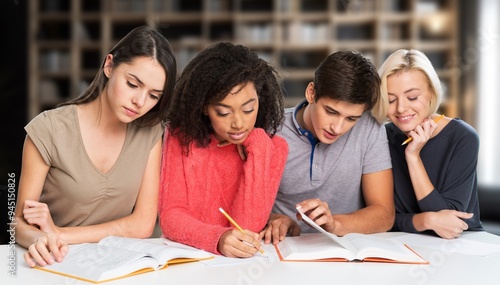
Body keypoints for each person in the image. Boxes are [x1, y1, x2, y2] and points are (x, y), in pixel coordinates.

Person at [15, 25, 177, 267]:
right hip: (59, 262)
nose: (140, 102)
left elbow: (142, 224)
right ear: (109, 65)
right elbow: (18, 223)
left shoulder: (150, 132)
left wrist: (59, 233)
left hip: (124, 264)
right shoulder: (49, 129)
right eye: (133, 84)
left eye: (154, 95)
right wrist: (41, 238)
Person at [158, 42, 288, 258]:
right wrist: (217, 238)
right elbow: (171, 216)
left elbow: (248, 227)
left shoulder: (272, 148)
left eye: (248, 109)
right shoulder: (181, 137)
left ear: (260, 99)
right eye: (223, 112)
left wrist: (259, 150)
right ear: (204, 107)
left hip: (237, 268)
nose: (238, 123)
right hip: (184, 260)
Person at [262, 50, 395, 244]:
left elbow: (385, 214)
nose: (337, 127)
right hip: (281, 247)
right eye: (331, 111)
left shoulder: (370, 129)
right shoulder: (270, 130)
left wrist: (335, 225)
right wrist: (271, 219)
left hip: (343, 248)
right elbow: (234, 205)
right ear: (311, 93)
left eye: (351, 118)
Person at [371, 49, 483, 239]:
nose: (401, 108)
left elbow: (449, 223)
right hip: (403, 243)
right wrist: (425, 221)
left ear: (431, 92)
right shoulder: (381, 137)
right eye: (390, 99)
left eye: (412, 97)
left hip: (463, 244)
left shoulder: (463, 137)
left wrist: (413, 157)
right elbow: (381, 219)